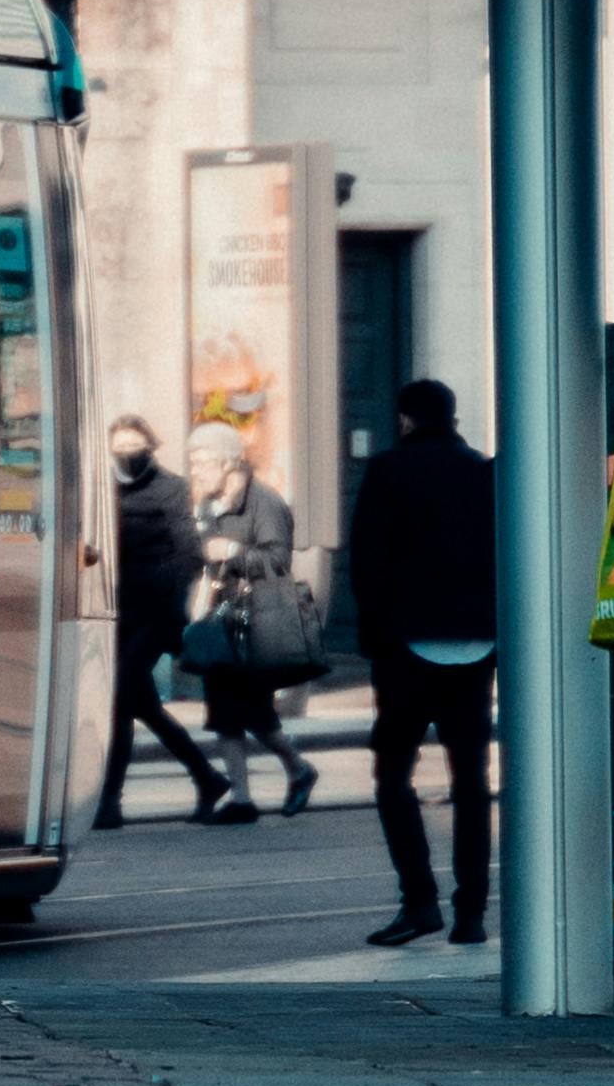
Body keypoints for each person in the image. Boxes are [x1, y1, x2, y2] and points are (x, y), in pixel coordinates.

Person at [344, 373, 497, 950]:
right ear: (452, 417)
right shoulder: (483, 470)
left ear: (406, 418)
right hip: (477, 646)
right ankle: (472, 912)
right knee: (472, 783)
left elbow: (367, 564)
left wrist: (376, 640)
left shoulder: (387, 471)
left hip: (407, 648)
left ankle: (419, 901)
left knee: (392, 778)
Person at [97, 413, 246, 825]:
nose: (127, 456)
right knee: (141, 704)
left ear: (150, 447)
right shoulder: (102, 487)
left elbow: (189, 553)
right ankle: (207, 778)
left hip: (155, 613)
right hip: (117, 613)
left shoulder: (171, 488)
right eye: (120, 449)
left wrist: (166, 592)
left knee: (120, 700)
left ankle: (110, 801)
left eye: (135, 448)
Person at [191, 437, 318, 808]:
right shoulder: (210, 504)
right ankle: (242, 798)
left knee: (256, 714)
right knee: (222, 712)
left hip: (257, 623)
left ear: (228, 463)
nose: (195, 471)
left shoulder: (265, 503)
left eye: (201, 462)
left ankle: (298, 768)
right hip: (222, 621)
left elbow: (278, 561)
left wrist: (233, 551)